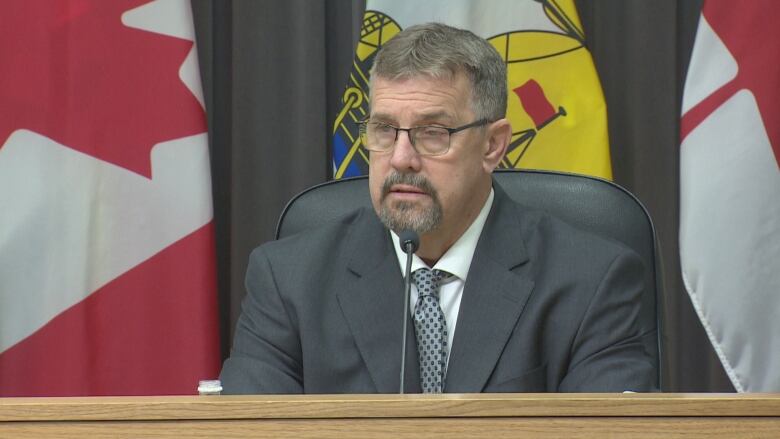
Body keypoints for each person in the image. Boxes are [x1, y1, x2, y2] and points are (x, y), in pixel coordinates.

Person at [220, 22, 657, 394]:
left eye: (432, 133)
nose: (401, 158)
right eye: (384, 130)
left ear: (493, 145)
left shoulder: (591, 281)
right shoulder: (288, 281)